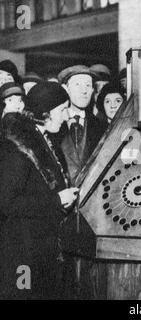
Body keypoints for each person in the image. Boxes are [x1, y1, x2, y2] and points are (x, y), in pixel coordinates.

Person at [0, 81, 79, 299]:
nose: (66, 116)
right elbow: (6, 203)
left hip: (42, 252)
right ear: (45, 112)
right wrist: (56, 201)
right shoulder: (16, 148)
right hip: (22, 256)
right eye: (63, 109)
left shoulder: (43, 139)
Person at [57, 65, 105, 184]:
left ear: (93, 90)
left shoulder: (101, 126)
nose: (84, 91)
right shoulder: (54, 125)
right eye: (78, 85)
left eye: (88, 85)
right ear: (65, 88)